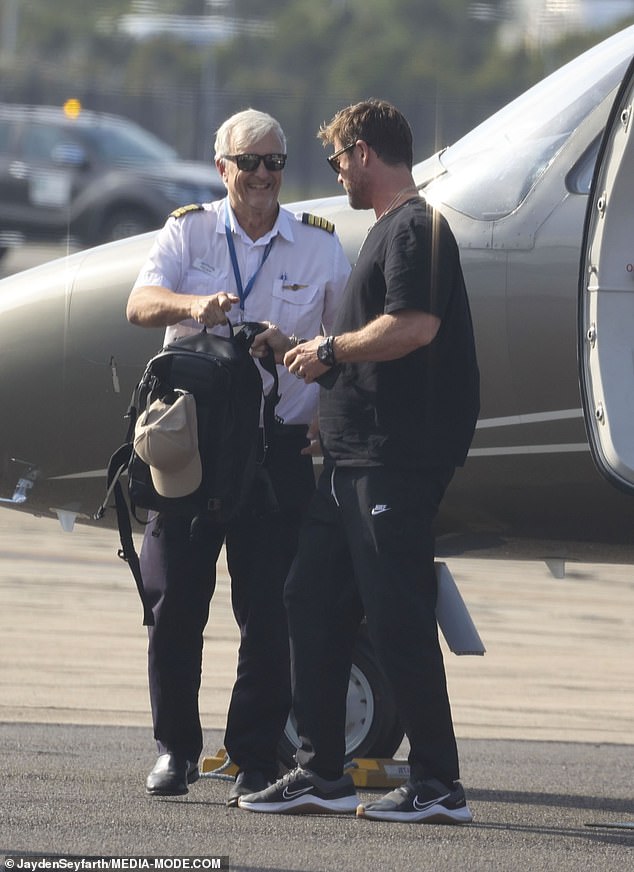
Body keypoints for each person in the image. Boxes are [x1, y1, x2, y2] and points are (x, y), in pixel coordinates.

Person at [238, 99, 480, 823]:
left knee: (398, 613)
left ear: (366, 153)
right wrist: (311, 368)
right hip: (348, 464)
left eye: (339, 158)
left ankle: (439, 785)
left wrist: (331, 349)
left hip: (392, 464)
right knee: (308, 599)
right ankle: (323, 771)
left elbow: (414, 326)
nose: (337, 171)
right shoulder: (384, 233)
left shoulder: (416, 228)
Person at [126, 108, 350, 803]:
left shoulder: (319, 248)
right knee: (175, 605)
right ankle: (175, 750)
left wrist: (308, 384)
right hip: (193, 452)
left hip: (275, 450)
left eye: (274, 163)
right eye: (248, 162)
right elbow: (139, 304)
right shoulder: (188, 230)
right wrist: (199, 305)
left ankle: (252, 755)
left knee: (272, 610)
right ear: (221, 167)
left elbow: (342, 348)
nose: (261, 176)